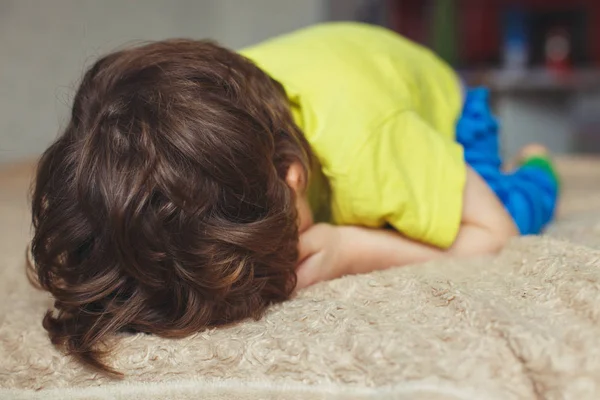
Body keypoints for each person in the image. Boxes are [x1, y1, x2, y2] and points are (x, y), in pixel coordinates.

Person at [28, 22, 559, 374]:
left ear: (292, 176)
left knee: (509, 209)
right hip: (330, 82)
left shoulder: (372, 150)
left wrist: (357, 249)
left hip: (442, 107)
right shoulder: (192, 117)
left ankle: (538, 160)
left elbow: (496, 235)